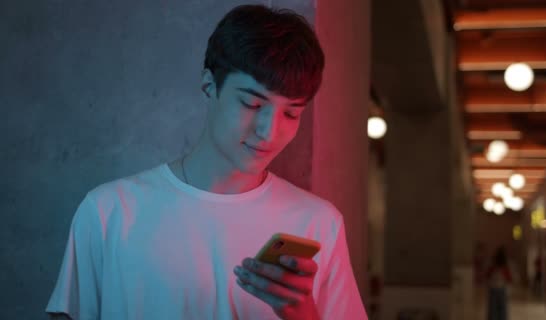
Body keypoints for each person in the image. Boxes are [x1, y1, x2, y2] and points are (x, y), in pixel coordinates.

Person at [45, 4, 367, 320]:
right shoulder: (109, 211)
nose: (270, 132)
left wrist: (302, 315)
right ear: (208, 85)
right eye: (252, 104)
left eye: (291, 113)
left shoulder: (318, 224)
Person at [485, 246, 511, 320]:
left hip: (493, 288)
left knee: (493, 309)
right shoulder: (505, 267)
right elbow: (509, 278)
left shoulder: (493, 266)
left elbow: (487, 275)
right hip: (501, 288)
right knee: (502, 309)